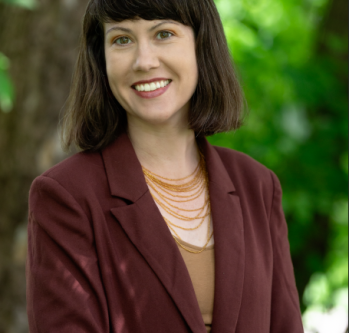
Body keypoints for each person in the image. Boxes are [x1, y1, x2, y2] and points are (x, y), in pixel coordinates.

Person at [26, 0, 304, 332]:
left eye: (164, 34)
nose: (144, 61)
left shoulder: (258, 185)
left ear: (202, 45)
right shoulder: (65, 196)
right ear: (101, 59)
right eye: (122, 39)